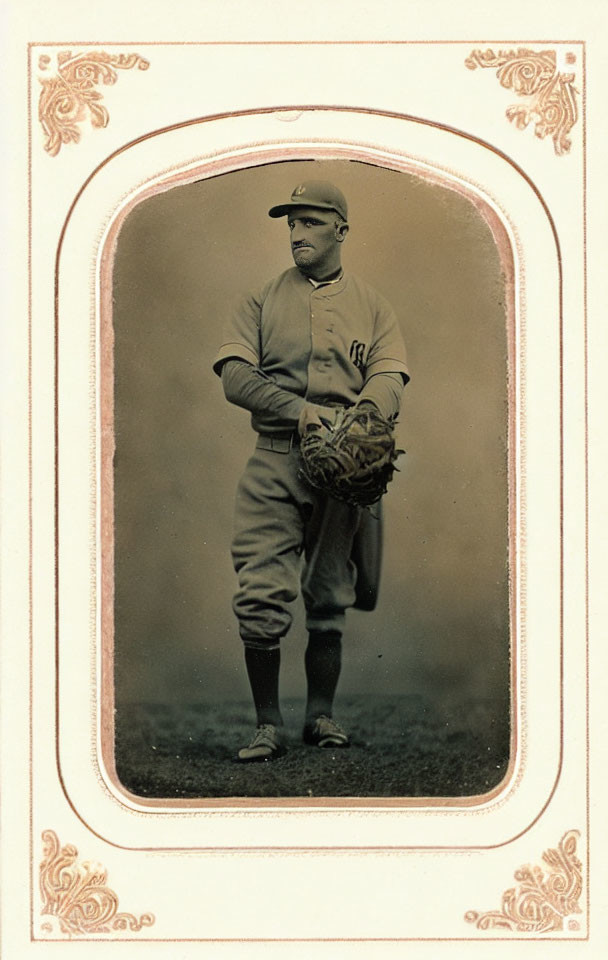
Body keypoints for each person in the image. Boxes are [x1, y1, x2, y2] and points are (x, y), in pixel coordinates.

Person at [213, 180, 409, 761]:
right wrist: (305, 413)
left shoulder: (372, 304)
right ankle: (267, 724)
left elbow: (390, 374)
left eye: (311, 221)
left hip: (341, 471)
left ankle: (320, 717)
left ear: (340, 229)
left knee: (329, 593)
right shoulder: (261, 299)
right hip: (275, 460)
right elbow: (234, 377)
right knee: (261, 593)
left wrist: (364, 419)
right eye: (291, 223)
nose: (297, 233)